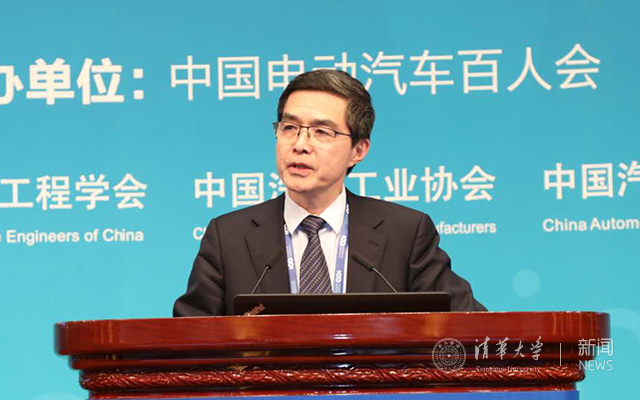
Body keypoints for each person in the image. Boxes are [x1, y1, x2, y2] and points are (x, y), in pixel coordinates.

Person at [174, 70, 485, 316]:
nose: (300, 144)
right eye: (289, 128)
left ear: (358, 151)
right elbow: (187, 343)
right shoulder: (227, 238)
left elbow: (470, 328)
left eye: (322, 132)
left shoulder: (405, 234)